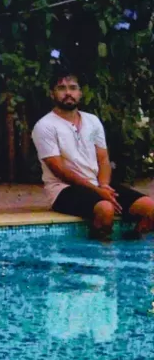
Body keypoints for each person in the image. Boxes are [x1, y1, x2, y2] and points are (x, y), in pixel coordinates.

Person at [31, 72, 154, 237]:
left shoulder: (92, 121)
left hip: (97, 185)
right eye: (62, 88)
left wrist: (103, 186)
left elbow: (103, 158)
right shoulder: (45, 126)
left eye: (73, 88)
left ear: (80, 93)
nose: (68, 93)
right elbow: (59, 169)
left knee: (150, 208)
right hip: (63, 190)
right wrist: (97, 191)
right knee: (105, 209)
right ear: (52, 93)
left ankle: (130, 245)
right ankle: (101, 256)